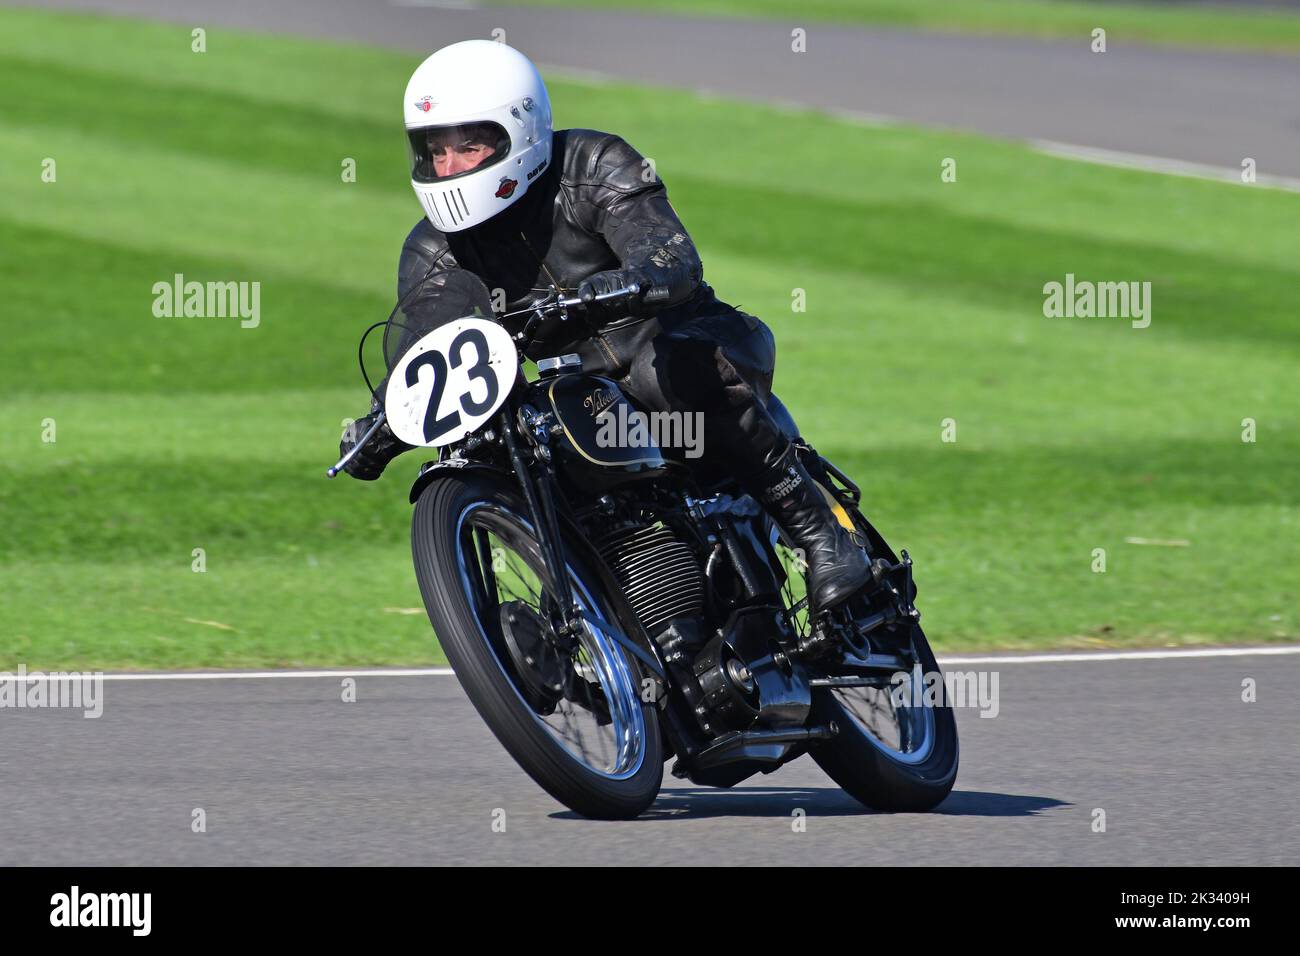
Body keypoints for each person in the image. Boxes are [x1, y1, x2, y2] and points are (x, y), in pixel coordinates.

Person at [339, 39, 871, 612]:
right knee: (511, 438)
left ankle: (822, 536)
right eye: (434, 151)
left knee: (662, 372)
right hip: (587, 398)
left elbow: (668, 250)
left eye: (468, 146)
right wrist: (386, 420)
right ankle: (577, 619)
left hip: (693, 344)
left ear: (519, 130)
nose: (448, 167)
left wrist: (633, 280)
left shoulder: (593, 165)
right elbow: (431, 353)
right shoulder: (432, 250)